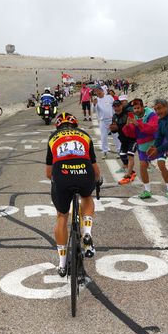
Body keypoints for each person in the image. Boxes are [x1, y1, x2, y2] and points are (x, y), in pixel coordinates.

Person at [46, 112, 102, 277]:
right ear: (75, 125)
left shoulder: (53, 137)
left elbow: (48, 173)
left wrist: (58, 182)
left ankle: (62, 264)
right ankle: (87, 233)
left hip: (62, 174)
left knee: (62, 216)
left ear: (58, 127)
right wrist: (97, 180)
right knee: (86, 197)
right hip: (84, 171)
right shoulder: (84, 135)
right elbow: (95, 167)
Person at [123, 98, 161, 199]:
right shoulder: (133, 116)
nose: (136, 110)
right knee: (143, 166)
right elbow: (131, 134)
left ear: (143, 107)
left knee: (162, 165)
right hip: (142, 146)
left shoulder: (151, 115)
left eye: (138, 108)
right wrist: (127, 126)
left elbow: (152, 128)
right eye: (134, 108)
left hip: (156, 144)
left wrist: (138, 124)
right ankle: (147, 190)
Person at [110, 99, 137, 184]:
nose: (117, 108)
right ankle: (132, 172)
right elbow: (115, 130)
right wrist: (113, 129)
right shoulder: (114, 116)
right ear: (113, 108)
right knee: (122, 156)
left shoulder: (127, 114)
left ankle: (128, 176)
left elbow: (131, 127)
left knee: (130, 156)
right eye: (115, 107)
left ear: (121, 106)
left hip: (133, 139)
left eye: (118, 106)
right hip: (123, 140)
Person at [92, 85, 117, 158]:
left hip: (112, 119)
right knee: (103, 137)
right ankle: (105, 152)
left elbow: (114, 106)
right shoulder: (96, 100)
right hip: (103, 121)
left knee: (116, 135)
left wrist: (115, 118)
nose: (98, 92)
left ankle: (119, 151)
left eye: (99, 91)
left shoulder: (109, 97)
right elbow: (93, 111)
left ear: (102, 91)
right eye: (97, 91)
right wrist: (94, 104)